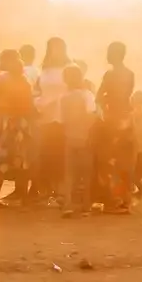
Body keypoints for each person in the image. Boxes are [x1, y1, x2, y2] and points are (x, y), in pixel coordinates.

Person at [97, 43, 137, 211]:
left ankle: (114, 200)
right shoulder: (130, 74)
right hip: (126, 119)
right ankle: (124, 198)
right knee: (125, 159)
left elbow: (100, 96)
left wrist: (104, 104)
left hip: (112, 119)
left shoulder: (110, 75)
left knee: (110, 159)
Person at [57, 62, 97, 216]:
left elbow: (62, 121)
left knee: (70, 173)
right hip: (85, 138)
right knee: (85, 173)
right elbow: (91, 116)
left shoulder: (63, 97)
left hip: (69, 138)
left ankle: (68, 204)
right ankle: (86, 205)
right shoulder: (87, 95)